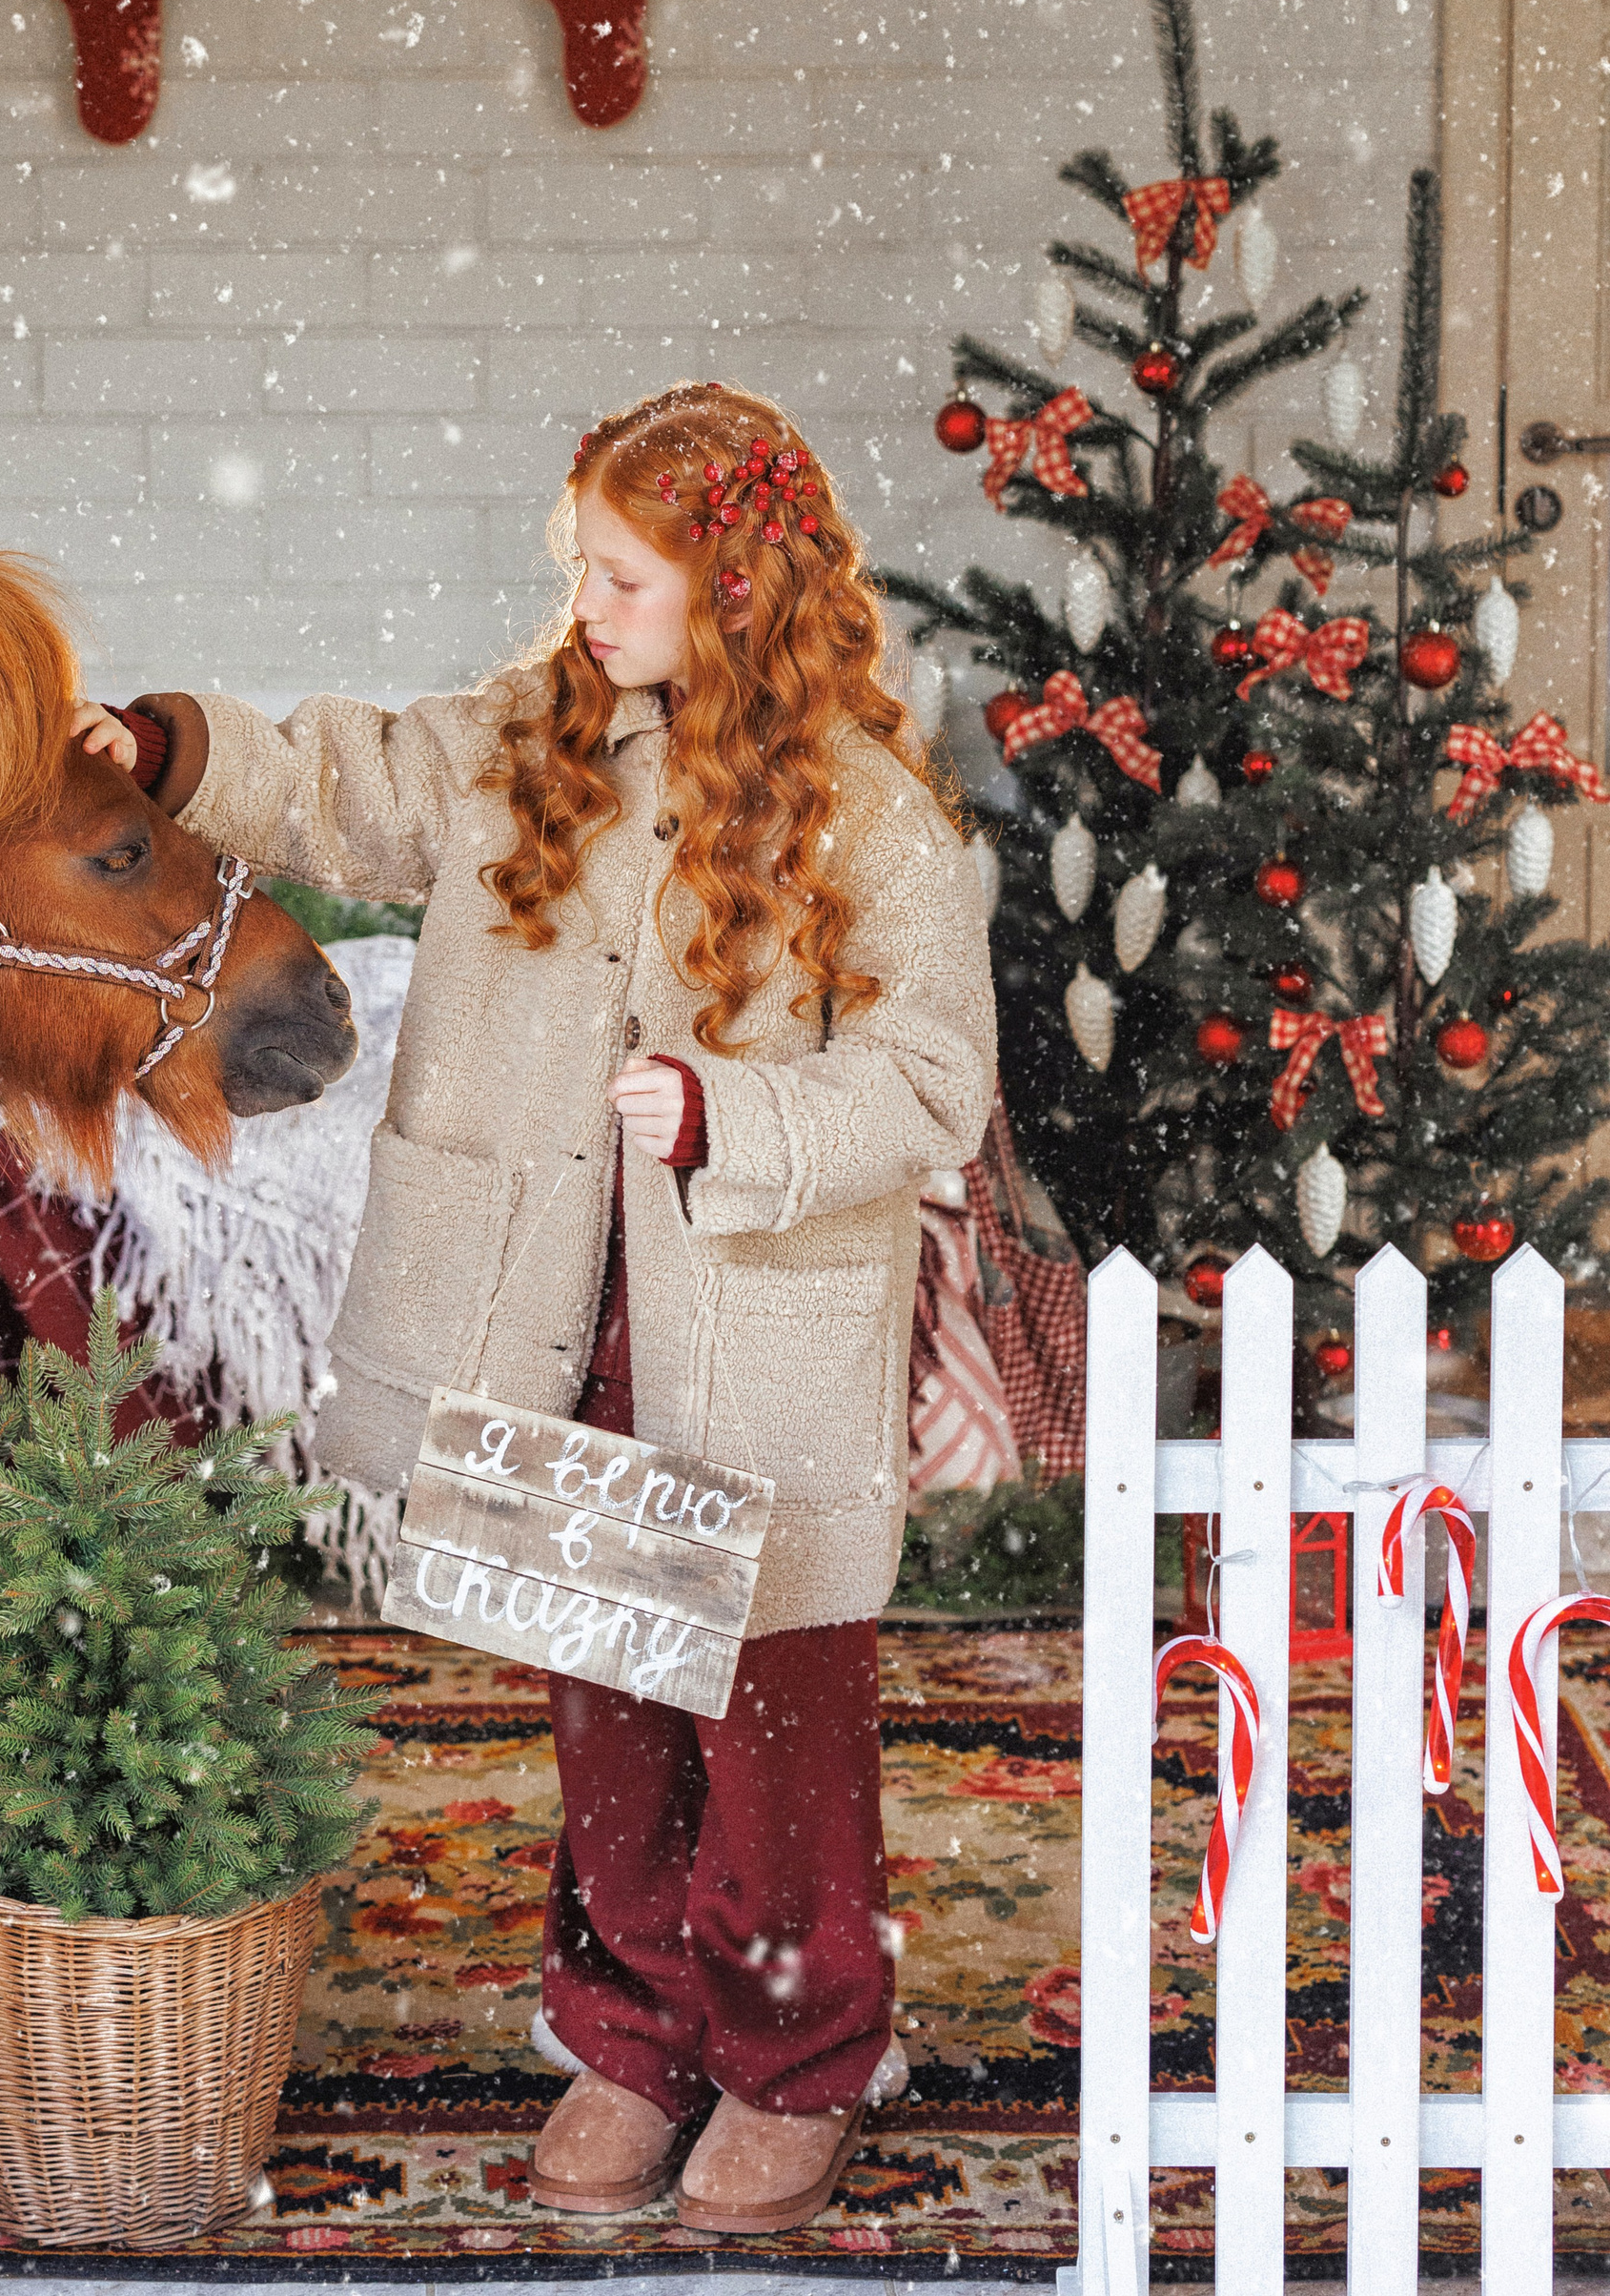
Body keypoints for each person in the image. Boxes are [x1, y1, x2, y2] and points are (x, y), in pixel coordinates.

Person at [80, 380, 996, 2232]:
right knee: (609, 1705)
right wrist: (162, 744)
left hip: (748, 1333)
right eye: (579, 567)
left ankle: (794, 2052)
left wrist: (732, 1108)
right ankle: (636, 2030)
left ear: (735, 586)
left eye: (627, 574)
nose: (590, 604)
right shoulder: (530, 744)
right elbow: (339, 771)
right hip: (548, 1313)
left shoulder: (870, 813)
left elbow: (926, 1080)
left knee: (767, 1720)